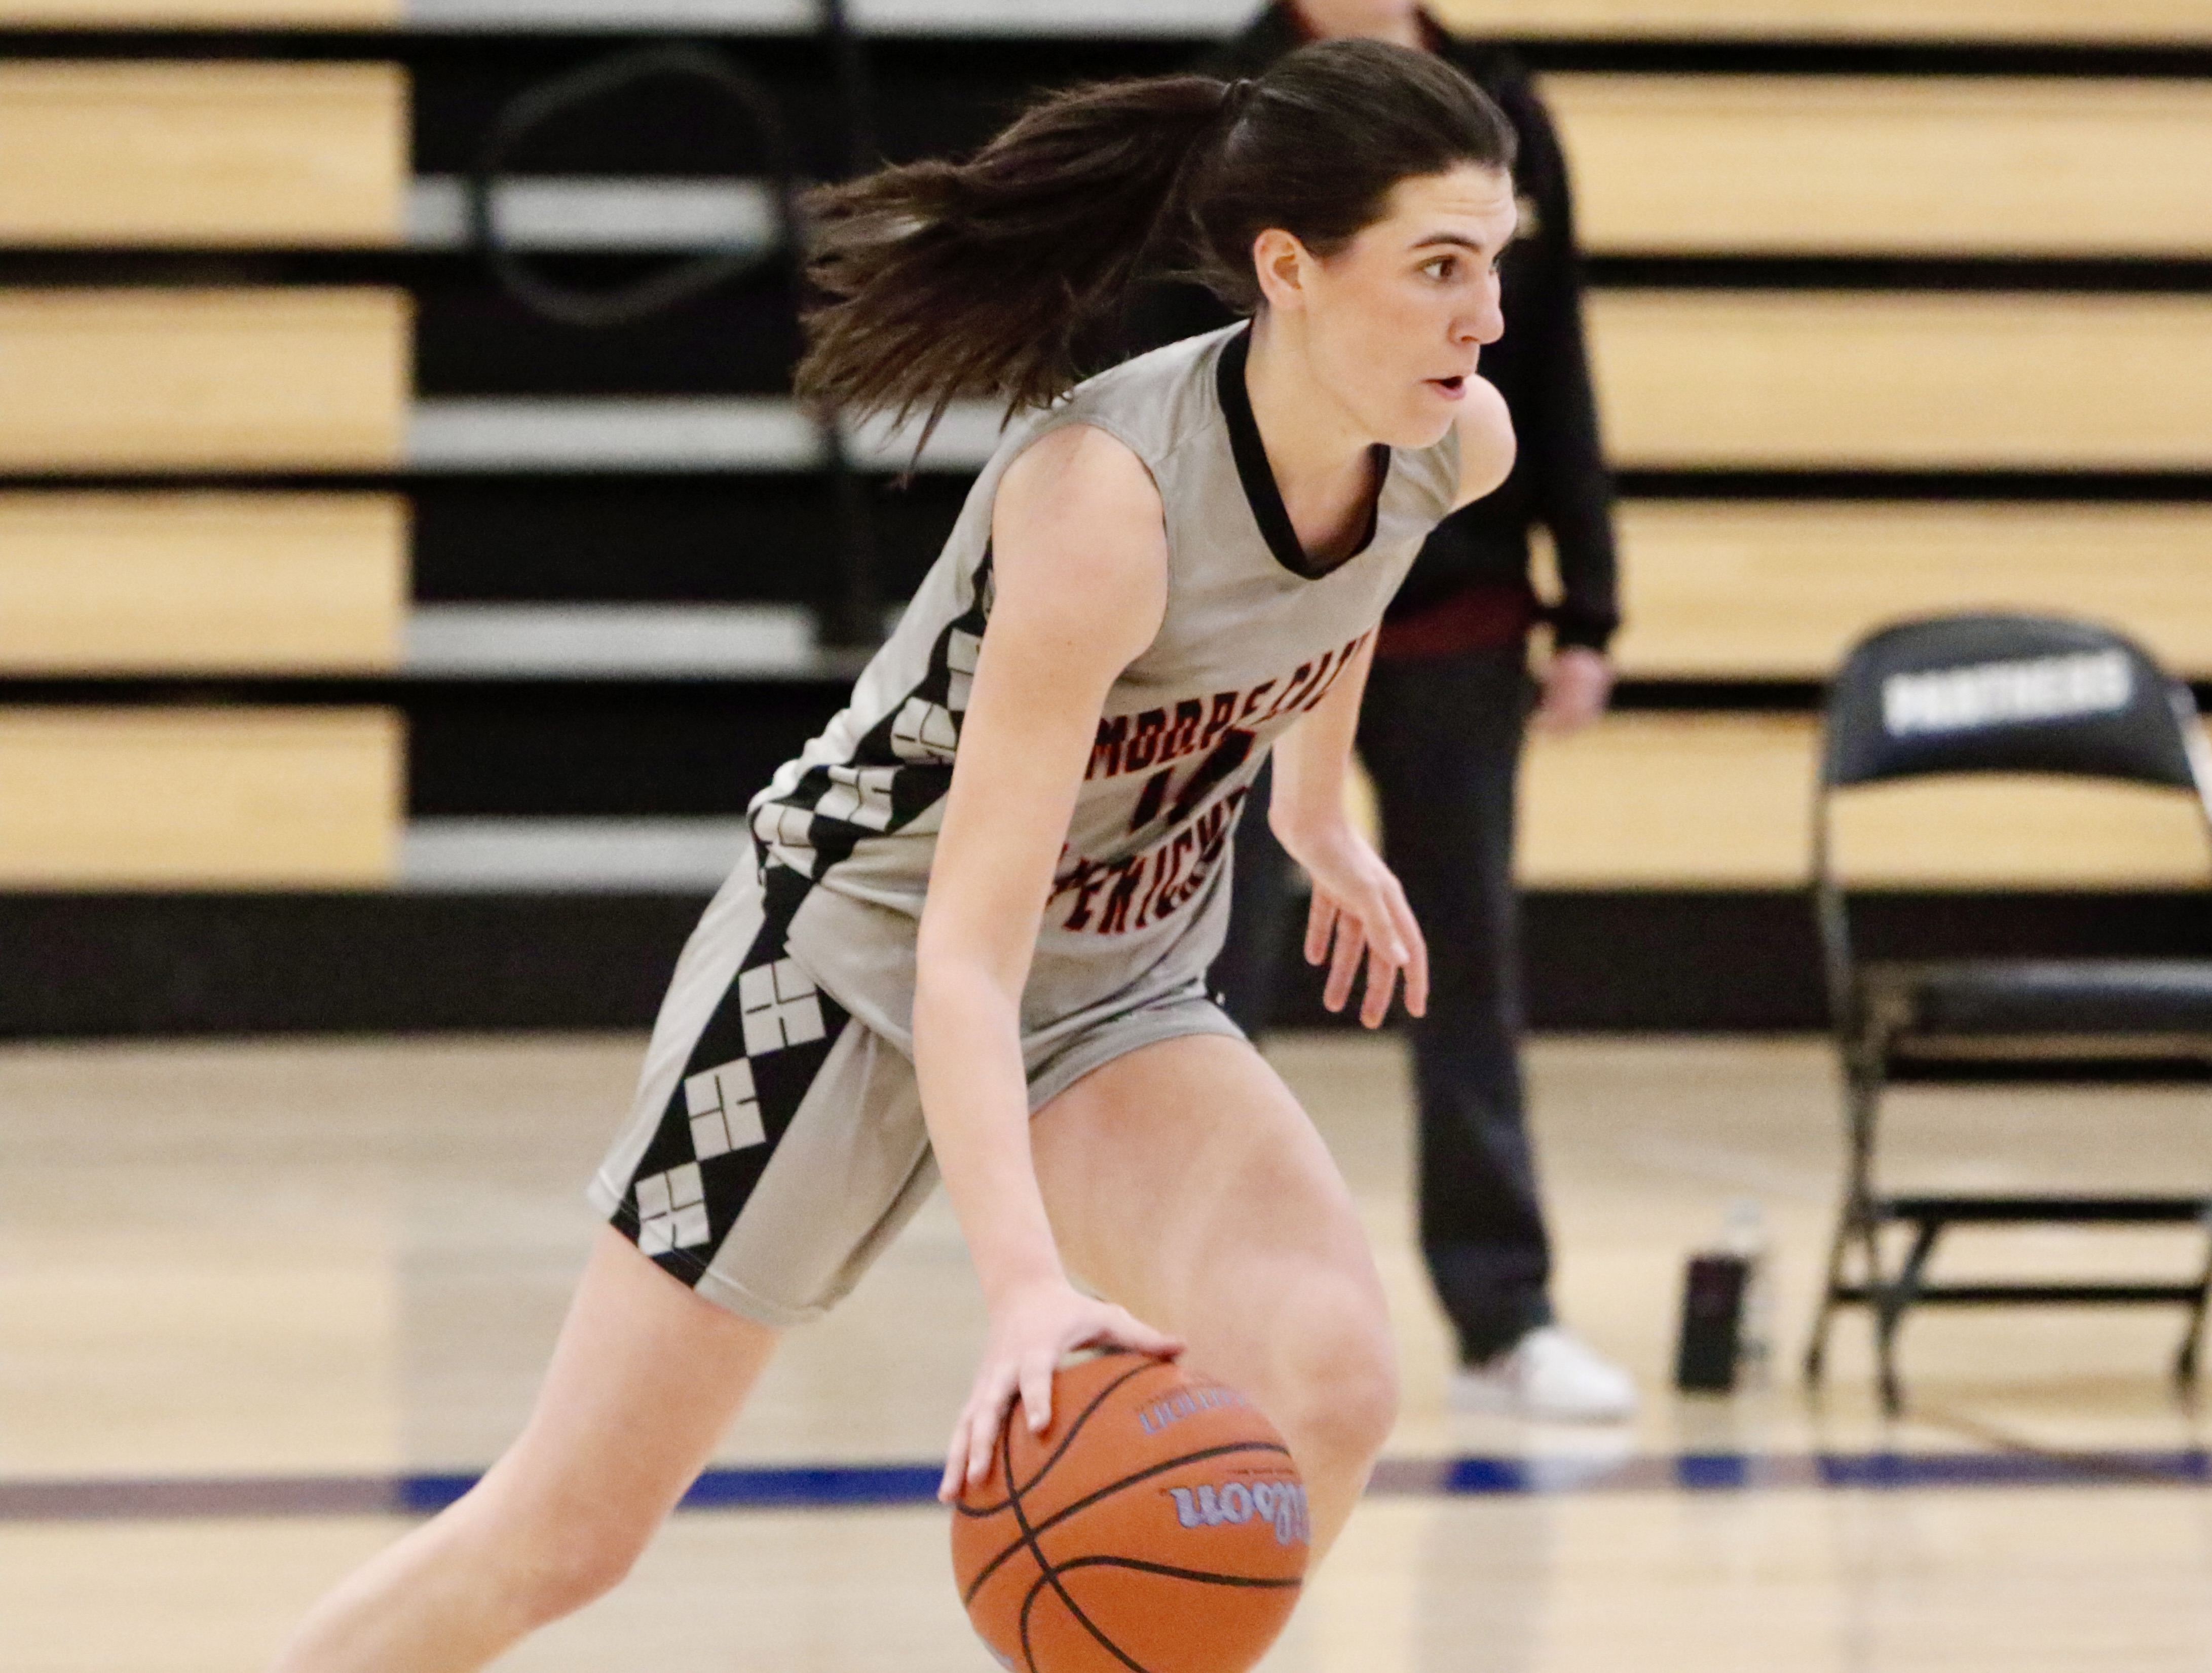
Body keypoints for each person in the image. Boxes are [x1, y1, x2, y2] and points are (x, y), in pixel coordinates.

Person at [271, 40, 1519, 1670]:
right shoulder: (1105, 505)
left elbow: (1332, 595)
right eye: (1438, 267)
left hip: (1115, 991)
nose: (1482, 315)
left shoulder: (1448, 438)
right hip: (848, 969)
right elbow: (962, 955)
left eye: (1493, 263)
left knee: (1332, 1378)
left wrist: (1308, 809)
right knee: (568, 1530)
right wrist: (1023, 1292)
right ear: (1289, 269)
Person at [1132, 0, 1633, 1422]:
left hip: (1454, 610)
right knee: (1213, 974)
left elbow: (1553, 352)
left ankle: (1504, 1308)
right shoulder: (1231, 96)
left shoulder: (1498, 105)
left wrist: (1589, 596)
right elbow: (1165, 352)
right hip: (1254, 613)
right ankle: (1190, 1305)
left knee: (1462, 956)